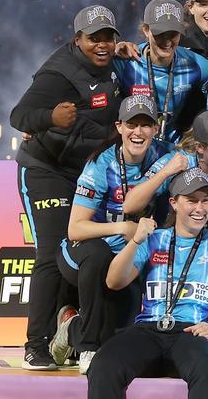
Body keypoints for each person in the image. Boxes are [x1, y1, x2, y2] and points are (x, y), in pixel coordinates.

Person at [10, 5, 122, 370]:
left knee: (83, 253)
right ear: (78, 40)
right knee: (50, 252)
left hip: (87, 173)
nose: (102, 45)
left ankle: (70, 329)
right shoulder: (58, 74)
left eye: (108, 37)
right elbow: (18, 116)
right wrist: (49, 118)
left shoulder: (116, 64)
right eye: (94, 39)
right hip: (46, 170)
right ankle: (35, 345)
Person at [87, 168, 208, 399]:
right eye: (192, 201)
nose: (200, 209)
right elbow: (113, 281)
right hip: (148, 330)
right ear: (174, 203)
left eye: (205, 201)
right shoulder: (154, 238)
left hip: (192, 332)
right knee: (103, 363)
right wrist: (135, 241)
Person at [49, 95, 167, 374]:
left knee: (120, 336)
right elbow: (75, 228)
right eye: (132, 125)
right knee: (98, 255)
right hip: (82, 251)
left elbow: (195, 152)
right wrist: (122, 227)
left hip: (127, 253)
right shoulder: (101, 165)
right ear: (119, 127)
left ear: (156, 128)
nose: (138, 132)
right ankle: (88, 346)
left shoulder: (165, 156)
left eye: (146, 125)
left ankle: (71, 327)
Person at [113, 0, 208, 143]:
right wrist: (112, 49)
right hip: (134, 145)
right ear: (146, 30)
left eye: (173, 34)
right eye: (160, 34)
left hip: (174, 149)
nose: (167, 41)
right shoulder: (126, 62)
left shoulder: (195, 64)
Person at [122, 110, 208, 232]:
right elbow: (129, 206)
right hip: (170, 242)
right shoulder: (177, 162)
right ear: (199, 147)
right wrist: (165, 172)